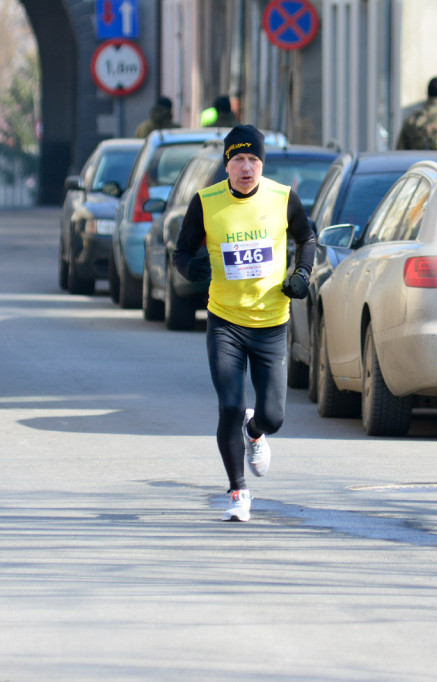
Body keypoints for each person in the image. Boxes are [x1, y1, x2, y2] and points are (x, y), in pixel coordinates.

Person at [172, 124, 315, 522]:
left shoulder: (283, 198)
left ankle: (256, 432)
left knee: (274, 417)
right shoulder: (206, 202)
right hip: (226, 323)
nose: (246, 168)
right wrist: (191, 267)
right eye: (238, 160)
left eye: (253, 159)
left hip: (271, 322)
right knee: (230, 406)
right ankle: (238, 492)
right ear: (227, 165)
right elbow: (180, 252)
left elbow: (307, 238)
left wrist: (302, 274)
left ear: (262, 164)